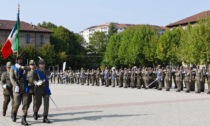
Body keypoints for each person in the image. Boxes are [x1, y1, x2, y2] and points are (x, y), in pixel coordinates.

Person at [10, 56, 30, 125]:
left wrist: (22, 67)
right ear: (17, 60)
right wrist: (15, 85)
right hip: (17, 88)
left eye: (21, 59)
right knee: (17, 103)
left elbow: (31, 68)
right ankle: (13, 113)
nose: (20, 60)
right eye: (19, 59)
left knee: (25, 104)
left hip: (25, 87)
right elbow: (12, 78)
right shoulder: (13, 67)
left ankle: (23, 119)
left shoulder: (25, 67)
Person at [33, 59, 51, 123]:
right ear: (39, 65)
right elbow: (34, 80)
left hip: (46, 89)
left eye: (43, 64)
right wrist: (36, 83)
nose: (42, 65)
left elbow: (48, 77)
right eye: (41, 64)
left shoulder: (47, 71)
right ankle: (35, 112)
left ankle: (45, 117)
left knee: (46, 104)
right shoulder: (36, 71)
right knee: (38, 103)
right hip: (38, 89)